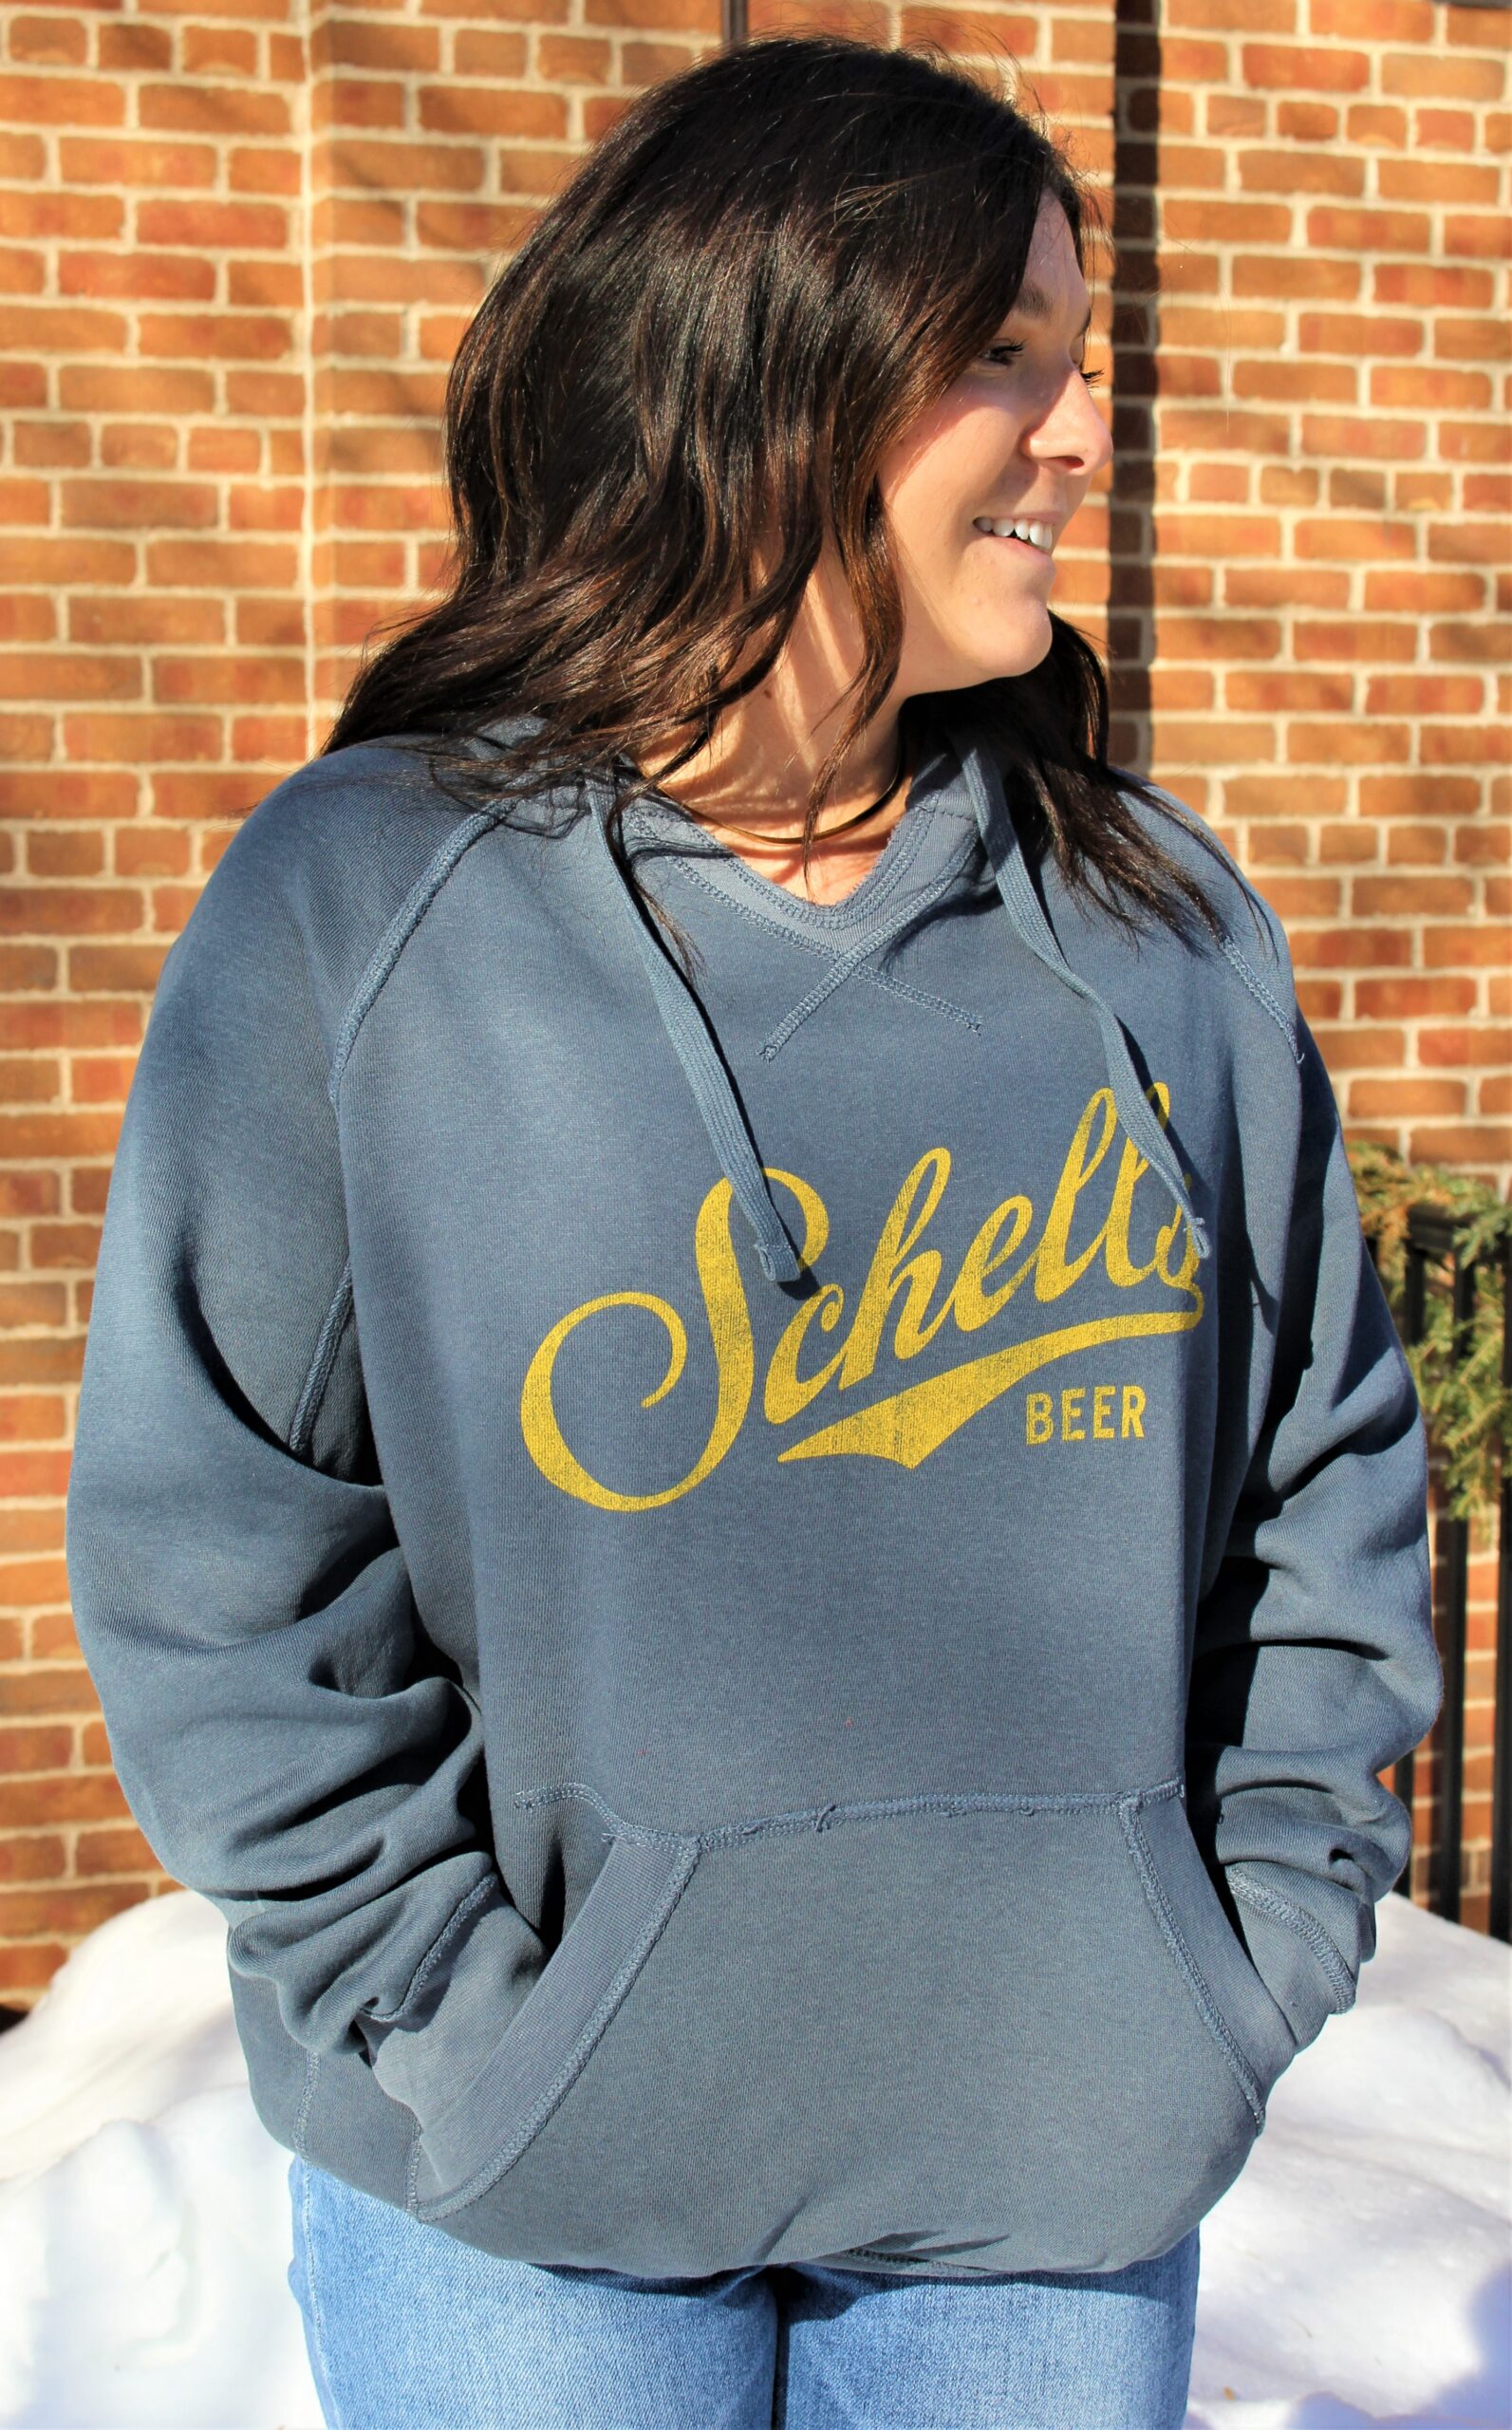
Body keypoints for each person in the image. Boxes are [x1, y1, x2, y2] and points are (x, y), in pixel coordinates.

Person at [64, 31, 1443, 2430]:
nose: (1082, 433)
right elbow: (222, 1549)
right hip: (524, 2197)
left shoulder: (1157, 935)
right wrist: (460, 2023)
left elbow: (1322, 1474)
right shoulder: (366, 907)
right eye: (1005, 355)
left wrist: (1227, 1964)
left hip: (1048, 2168)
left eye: (1078, 358)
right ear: (768, 378)